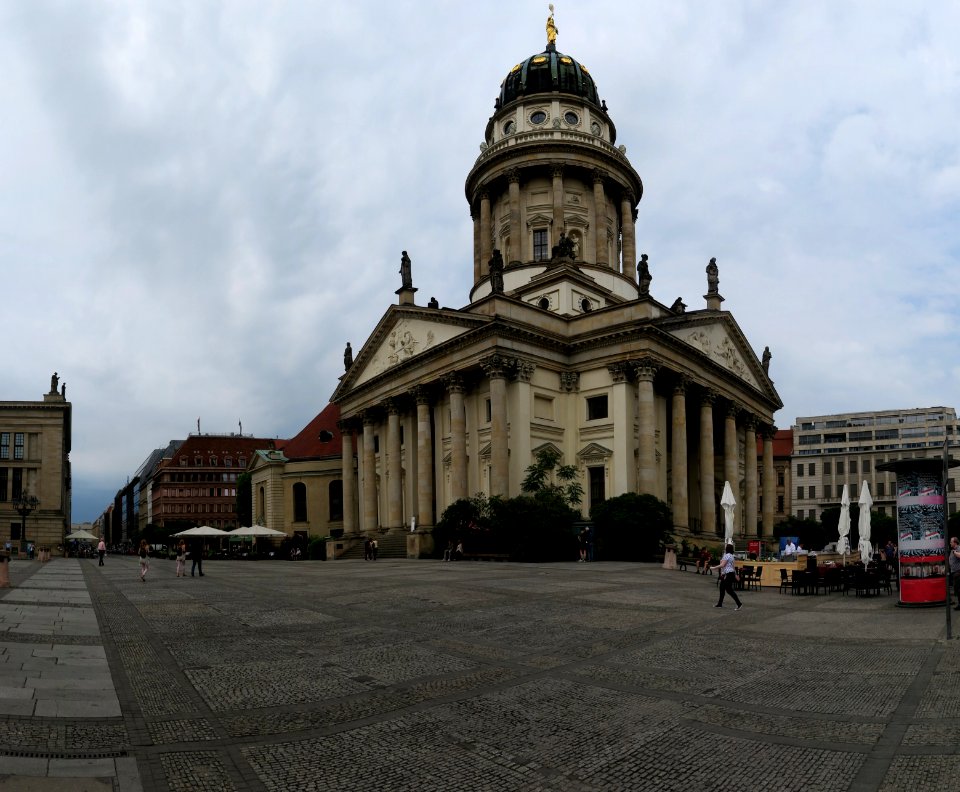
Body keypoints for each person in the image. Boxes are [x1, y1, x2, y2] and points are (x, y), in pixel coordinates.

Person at [711, 543, 742, 610]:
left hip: (728, 574)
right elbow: (733, 567)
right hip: (730, 574)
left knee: (729, 590)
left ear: (726, 549)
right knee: (722, 588)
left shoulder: (726, 555)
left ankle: (739, 603)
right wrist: (736, 574)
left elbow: (722, 565)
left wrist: (714, 568)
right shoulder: (732, 556)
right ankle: (720, 604)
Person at [949, 537, 960, 610]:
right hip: (954, 572)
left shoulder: (958, 548)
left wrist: (954, 552)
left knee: (959, 589)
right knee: (957, 590)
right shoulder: (952, 550)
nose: (950, 543)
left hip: (958, 572)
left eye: (951, 542)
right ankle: (959, 604)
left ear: (955, 542)